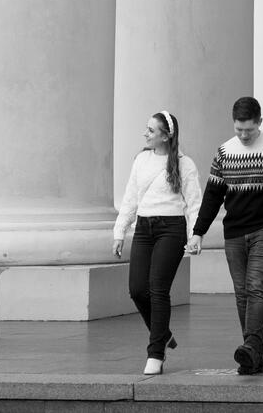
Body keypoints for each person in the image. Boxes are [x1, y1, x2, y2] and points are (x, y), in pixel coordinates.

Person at [187, 95, 263, 376]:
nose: (244, 134)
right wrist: (198, 232)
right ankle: (254, 357)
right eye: (238, 129)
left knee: (256, 287)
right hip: (234, 233)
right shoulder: (225, 152)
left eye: (249, 129)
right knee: (241, 294)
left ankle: (249, 345)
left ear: (259, 122)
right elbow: (213, 195)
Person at [113, 110, 202, 376]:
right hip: (143, 227)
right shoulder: (141, 159)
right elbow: (130, 197)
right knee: (138, 290)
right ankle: (163, 333)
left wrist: (195, 235)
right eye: (147, 129)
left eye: (151, 130)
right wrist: (120, 232)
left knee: (158, 289)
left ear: (166, 136)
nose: (146, 134)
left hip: (171, 229)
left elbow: (194, 202)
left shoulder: (185, 164)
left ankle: (156, 353)